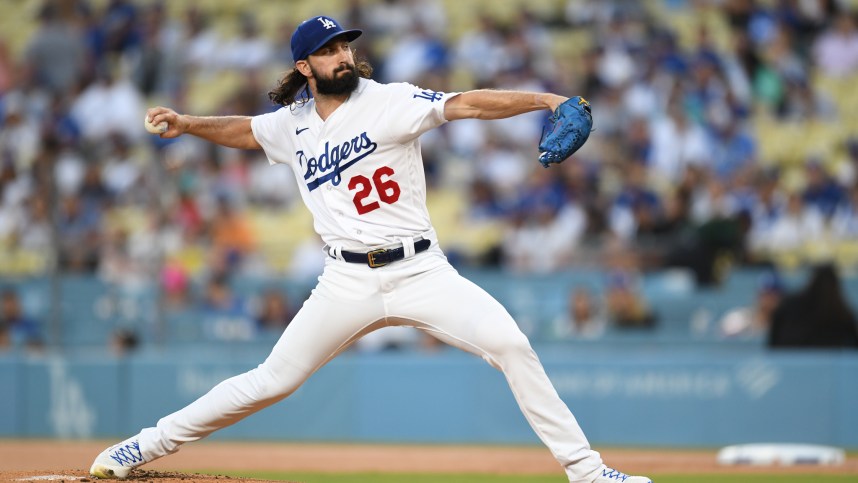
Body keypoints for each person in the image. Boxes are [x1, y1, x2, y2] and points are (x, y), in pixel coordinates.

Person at [89, 16, 651, 483]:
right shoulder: (295, 124)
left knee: (511, 343)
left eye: (344, 45)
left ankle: (588, 472)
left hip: (421, 269)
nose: (342, 55)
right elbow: (246, 131)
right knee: (271, 381)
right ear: (304, 68)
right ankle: (144, 445)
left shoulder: (392, 101)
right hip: (346, 282)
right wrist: (188, 123)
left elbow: (468, 104)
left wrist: (547, 100)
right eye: (328, 51)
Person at [768, 263, 858, 349]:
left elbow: (772, 342)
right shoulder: (843, 314)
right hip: (790, 360)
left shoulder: (788, 305)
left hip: (788, 360)